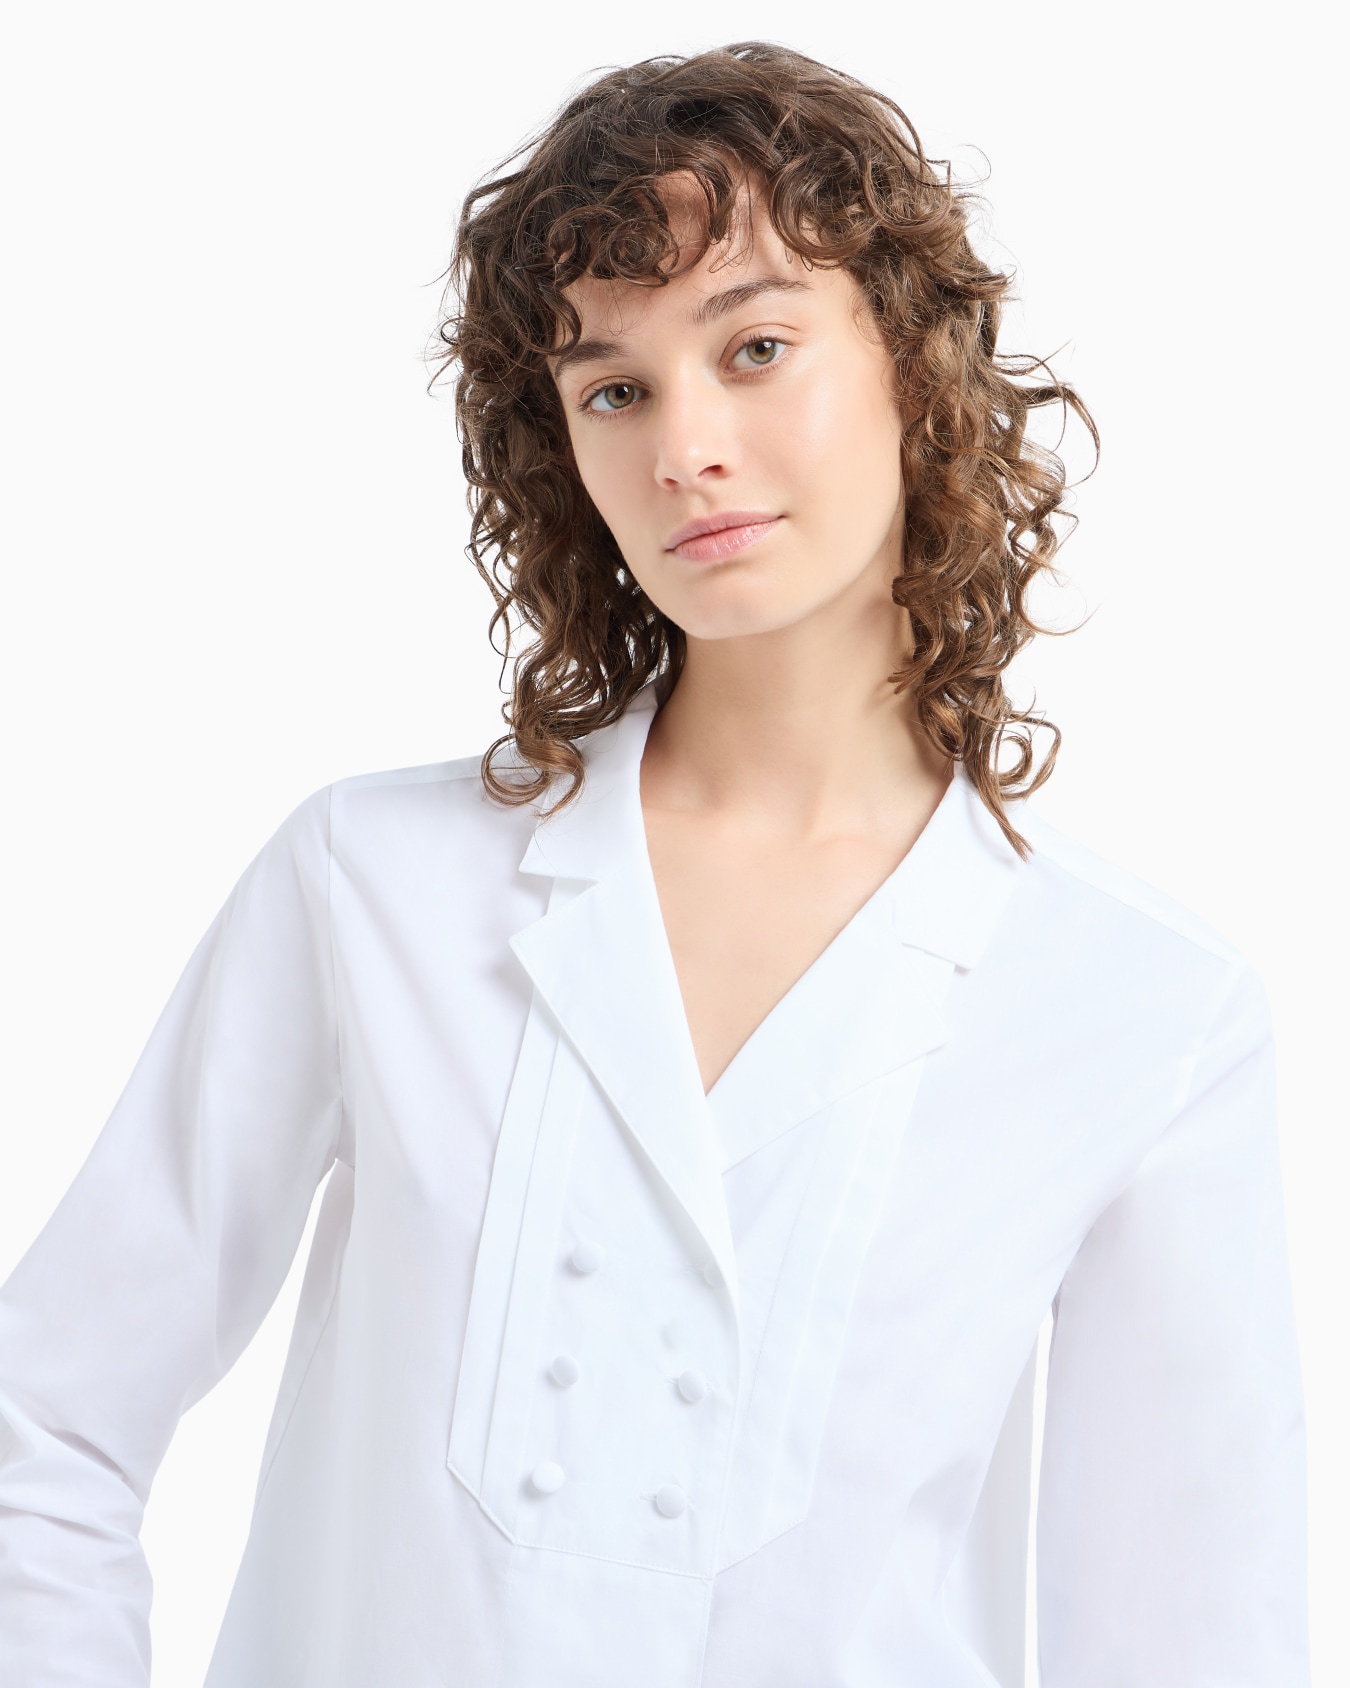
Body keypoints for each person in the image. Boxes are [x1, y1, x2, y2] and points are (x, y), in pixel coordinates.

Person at [0, 41, 1309, 1688]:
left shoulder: (1140, 1007)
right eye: (613, 389)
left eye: (754, 348)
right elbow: (46, 1424)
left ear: (914, 367)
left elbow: (1192, 1634)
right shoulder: (371, 888)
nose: (683, 445)